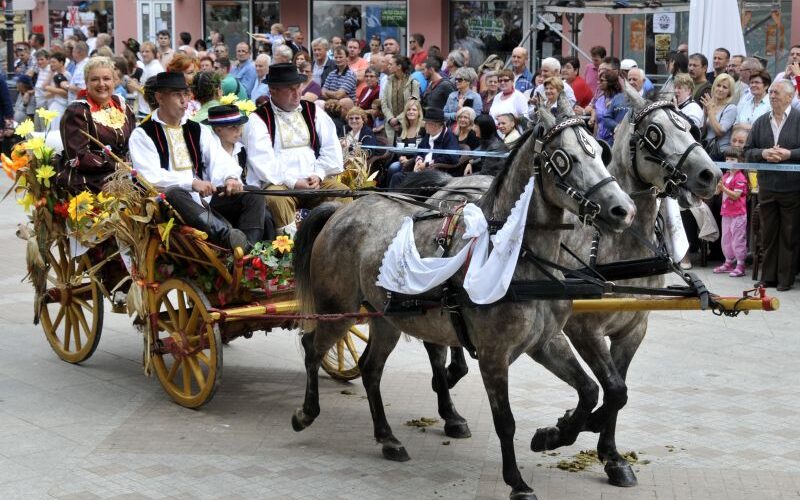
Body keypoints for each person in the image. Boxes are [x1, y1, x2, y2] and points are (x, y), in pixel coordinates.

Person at [130, 72, 265, 252]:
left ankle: (249, 251)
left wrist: (230, 178)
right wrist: (192, 183)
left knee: (253, 193)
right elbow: (150, 177)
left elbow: (219, 158)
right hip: (172, 207)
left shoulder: (197, 129)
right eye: (177, 95)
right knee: (174, 193)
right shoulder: (142, 134)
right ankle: (228, 238)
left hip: (204, 201)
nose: (184, 101)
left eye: (186, 94)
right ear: (160, 97)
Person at [242, 63, 346, 234]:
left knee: (343, 193)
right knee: (276, 199)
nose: (297, 93)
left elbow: (331, 148)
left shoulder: (313, 111)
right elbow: (262, 162)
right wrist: (294, 182)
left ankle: (334, 241)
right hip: (279, 184)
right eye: (290, 89)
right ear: (273, 90)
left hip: (313, 182)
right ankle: (288, 247)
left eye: (298, 87)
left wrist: (318, 174)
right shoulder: (258, 119)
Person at [744, 79, 800, 291]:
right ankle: (768, 277)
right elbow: (748, 151)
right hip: (767, 186)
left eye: (777, 92)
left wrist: (789, 154)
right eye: (772, 92)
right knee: (768, 234)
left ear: (790, 97)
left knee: (789, 234)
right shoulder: (761, 121)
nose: (773, 95)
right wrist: (763, 153)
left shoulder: (798, 119)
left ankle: (785, 279)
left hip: (792, 188)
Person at [57, 57, 136, 193]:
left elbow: (134, 142)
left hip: (126, 173)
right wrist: (116, 166)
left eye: (106, 79)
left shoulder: (122, 106)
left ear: (114, 81)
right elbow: (79, 157)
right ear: (86, 83)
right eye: (94, 79)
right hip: (91, 178)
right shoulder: (78, 111)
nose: (101, 84)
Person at [713, 148, 748, 278]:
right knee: (726, 238)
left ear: (740, 161)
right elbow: (717, 192)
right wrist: (717, 186)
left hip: (738, 214)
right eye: (727, 159)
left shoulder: (740, 177)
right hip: (726, 212)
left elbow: (736, 195)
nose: (729, 162)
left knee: (737, 239)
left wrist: (723, 188)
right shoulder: (726, 175)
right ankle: (728, 262)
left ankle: (740, 264)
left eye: (732, 159)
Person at [384, 99, 425, 185]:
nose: (411, 112)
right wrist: (401, 157)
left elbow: (425, 149)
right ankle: (388, 191)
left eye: (414, 110)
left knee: (394, 168)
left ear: (419, 113)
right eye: (408, 110)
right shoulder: (401, 128)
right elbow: (397, 146)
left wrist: (410, 161)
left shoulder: (423, 129)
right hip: (402, 160)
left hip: (417, 161)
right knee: (393, 167)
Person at [382, 55, 421, 144]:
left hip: (408, 124)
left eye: (391, 64)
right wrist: (390, 118)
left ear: (399, 66)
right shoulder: (389, 81)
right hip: (390, 125)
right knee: (391, 150)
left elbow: (415, 104)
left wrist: (398, 119)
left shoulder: (413, 83)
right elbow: (384, 102)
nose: (388, 66)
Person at [700, 73, 737, 160]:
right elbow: (702, 133)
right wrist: (705, 115)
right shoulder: (709, 104)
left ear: (729, 92)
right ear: (714, 87)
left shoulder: (731, 108)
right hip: (707, 149)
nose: (720, 89)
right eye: (718, 85)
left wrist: (710, 112)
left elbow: (720, 131)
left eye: (725, 87)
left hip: (720, 153)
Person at [589, 70, 626, 145]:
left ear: (610, 82)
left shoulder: (618, 101)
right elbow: (597, 123)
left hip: (614, 140)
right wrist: (594, 140)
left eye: (602, 80)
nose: (598, 82)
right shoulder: (599, 100)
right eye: (598, 80)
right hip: (600, 140)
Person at [132, 41, 164, 119]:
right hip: (145, 108)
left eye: (147, 51)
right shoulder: (149, 66)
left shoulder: (154, 68)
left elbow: (152, 91)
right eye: (142, 52)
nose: (144, 54)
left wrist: (136, 86)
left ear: (153, 53)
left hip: (148, 110)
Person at [44, 52, 71, 131]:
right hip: (52, 104)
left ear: (61, 63)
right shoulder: (54, 74)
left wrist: (50, 88)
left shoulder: (67, 75)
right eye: (50, 62)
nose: (51, 64)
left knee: (57, 130)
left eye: (54, 62)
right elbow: (46, 94)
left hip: (62, 106)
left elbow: (67, 94)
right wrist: (54, 90)